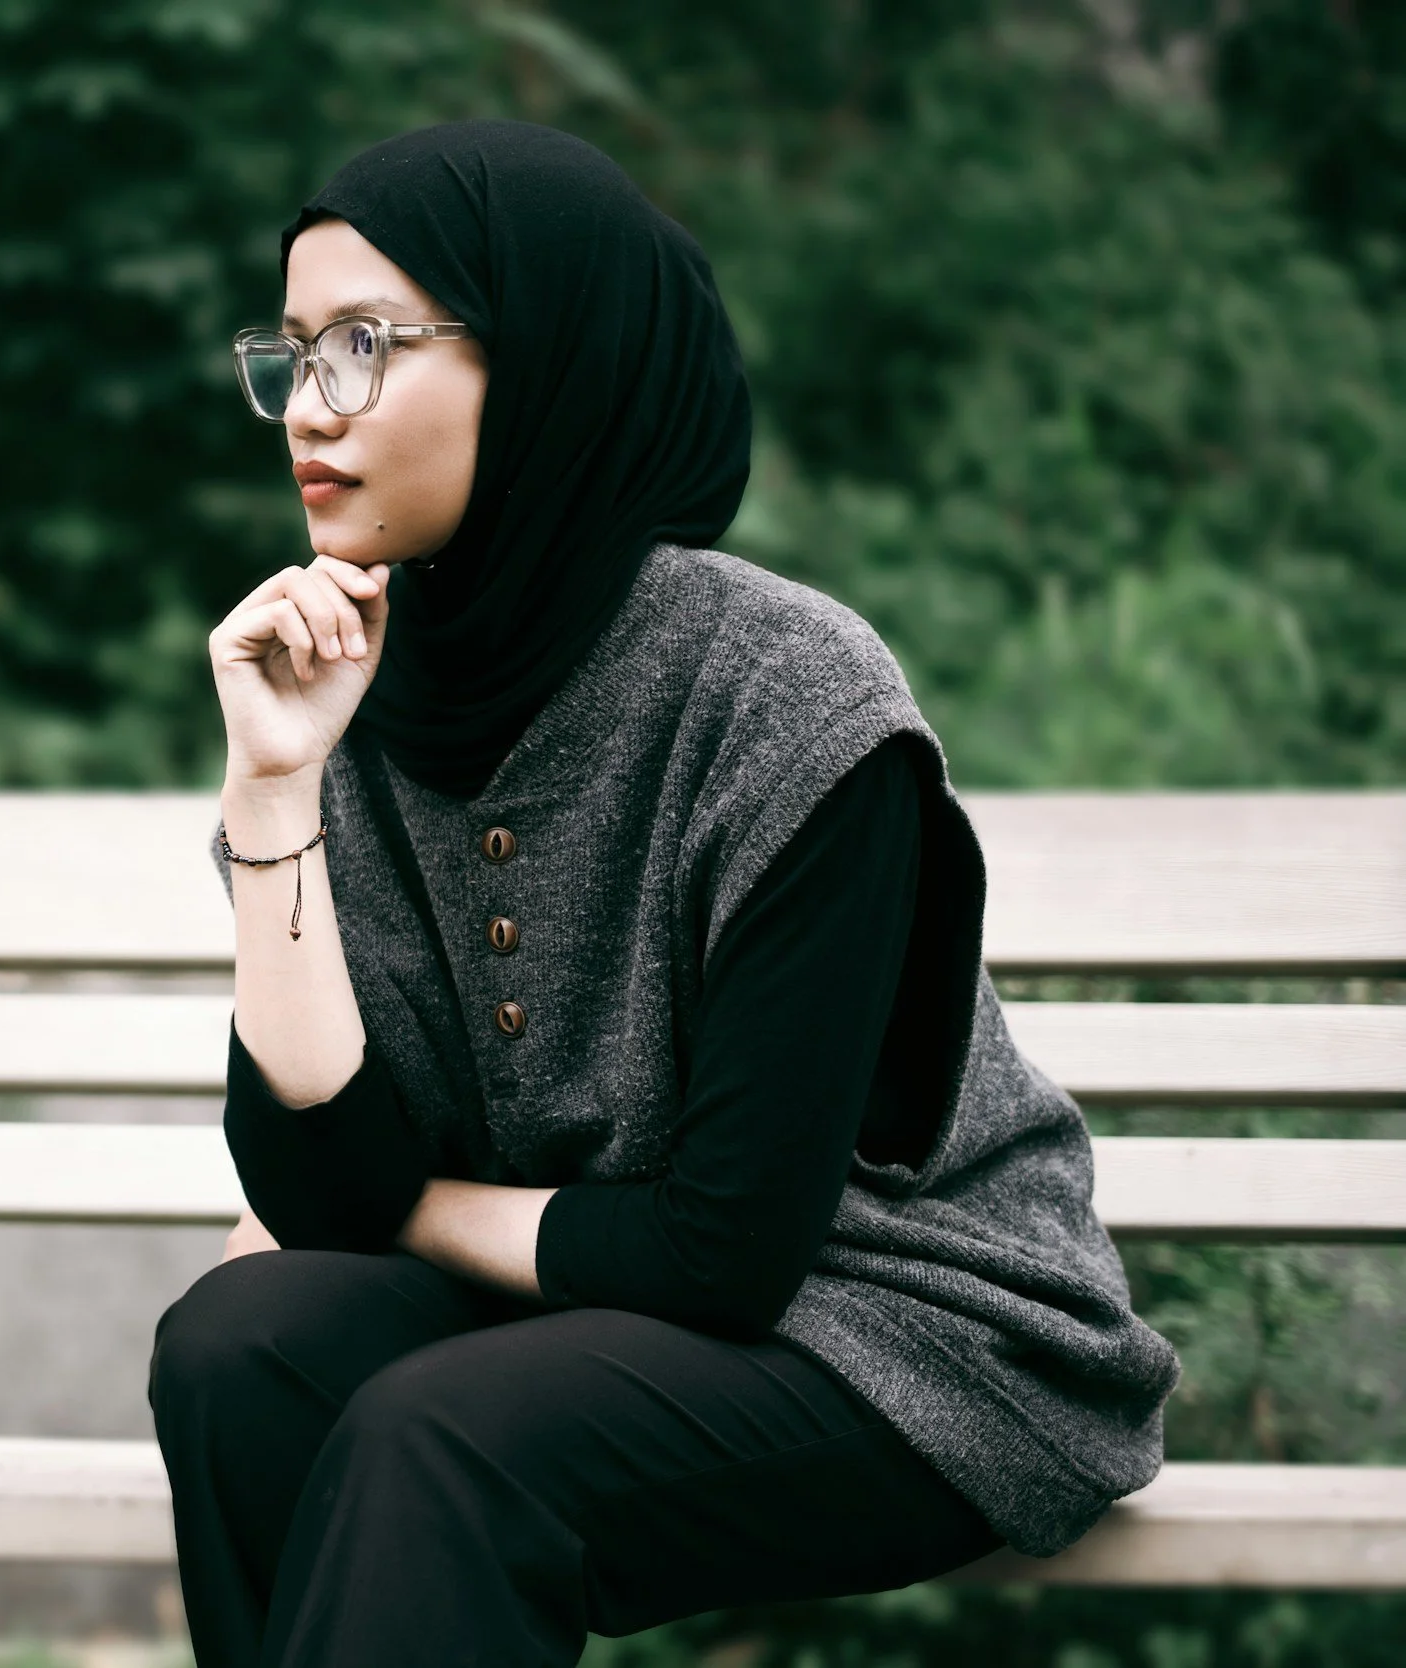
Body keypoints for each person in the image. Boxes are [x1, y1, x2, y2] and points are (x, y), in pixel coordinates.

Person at [145, 120, 1180, 1668]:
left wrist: (402, 1211)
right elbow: (316, 1180)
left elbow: (724, 1252)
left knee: (446, 1438)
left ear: (547, 359)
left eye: (365, 345)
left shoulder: (785, 692)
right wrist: (275, 793)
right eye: (291, 354)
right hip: (572, 1313)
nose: (309, 406)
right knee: (238, 1350)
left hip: (913, 1330)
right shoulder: (349, 688)